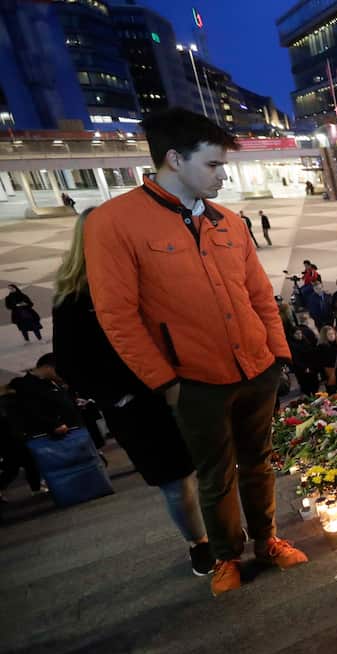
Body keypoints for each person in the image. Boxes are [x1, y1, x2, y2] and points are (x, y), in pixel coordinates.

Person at [83, 107, 305, 596]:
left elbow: (259, 295)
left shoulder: (227, 220)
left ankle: (267, 539)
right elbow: (117, 317)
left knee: (259, 461)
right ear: (173, 159)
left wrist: (278, 354)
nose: (223, 176)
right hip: (194, 379)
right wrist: (165, 382)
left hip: (256, 367)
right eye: (213, 165)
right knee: (214, 474)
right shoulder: (113, 223)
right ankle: (227, 556)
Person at [50, 210, 212, 574]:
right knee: (176, 482)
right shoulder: (73, 299)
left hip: (184, 392)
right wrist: (120, 395)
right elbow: (71, 365)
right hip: (136, 407)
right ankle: (198, 542)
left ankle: (221, 528)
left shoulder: (148, 278)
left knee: (209, 468)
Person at [286, 324, 321, 394]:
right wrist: (304, 367)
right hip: (302, 370)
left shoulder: (305, 341)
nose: (299, 335)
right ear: (293, 335)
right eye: (297, 334)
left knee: (315, 384)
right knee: (307, 386)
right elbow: (295, 359)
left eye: (300, 333)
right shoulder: (292, 345)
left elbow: (311, 352)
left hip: (311, 367)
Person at [315, 325, 337, 391]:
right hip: (330, 374)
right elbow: (320, 364)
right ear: (324, 336)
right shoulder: (321, 347)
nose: (332, 335)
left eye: (333, 333)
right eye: (329, 334)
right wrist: (324, 378)